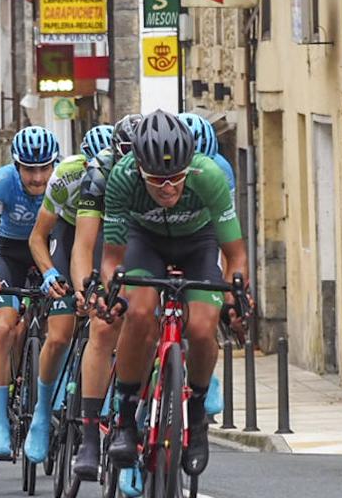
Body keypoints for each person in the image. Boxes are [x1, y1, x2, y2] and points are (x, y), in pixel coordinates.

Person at [101, 110, 248, 478]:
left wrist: (235, 297)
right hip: (144, 242)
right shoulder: (122, 178)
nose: (168, 188)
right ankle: (125, 415)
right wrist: (112, 294)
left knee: (201, 327)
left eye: (176, 178)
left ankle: (196, 413)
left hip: (197, 244)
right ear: (139, 170)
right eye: (157, 180)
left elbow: (236, 255)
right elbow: (111, 260)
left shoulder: (209, 176)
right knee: (138, 312)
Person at [21, 124, 113, 463]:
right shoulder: (67, 175)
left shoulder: (121, 180)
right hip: (70, 232)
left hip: (105, 233)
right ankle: (42, 413)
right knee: (59, 335)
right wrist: (49, 273)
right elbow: (37, 237)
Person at [0, 125, 60, 459]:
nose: (38, 178)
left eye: (44, 168)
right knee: (2, 327)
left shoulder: (63, 182)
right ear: (16, 165)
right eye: (29, 169)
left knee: (58, 327)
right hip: (9, 251)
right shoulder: (1, 182)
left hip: (50, 252)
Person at [67, 114, 140, 478]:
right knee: (102, 326)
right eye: (125, 155)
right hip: (110, 244)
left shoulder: (167, 170)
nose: (132, 165)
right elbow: (84, 243)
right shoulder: (100, 171)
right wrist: (88, 288)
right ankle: (90, 435)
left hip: (148, 240)